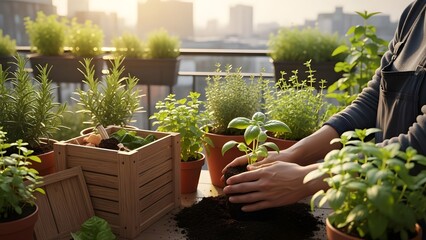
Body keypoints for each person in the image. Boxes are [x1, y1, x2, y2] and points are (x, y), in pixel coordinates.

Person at [222, 0, 426, 213]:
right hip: (378, 207)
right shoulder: (414, 13)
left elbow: (420, 145)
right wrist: (291, 154)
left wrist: (305, 179)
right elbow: (373, 99)